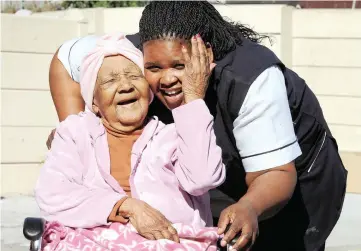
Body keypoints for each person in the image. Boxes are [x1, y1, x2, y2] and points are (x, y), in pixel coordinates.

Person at [46, 2, 347, 251]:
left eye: (180, 66)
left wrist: (250, 208)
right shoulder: (128, 53)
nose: (166, 79)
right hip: (203, 185)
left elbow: (276, 173)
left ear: (207, 54)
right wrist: (79, 130)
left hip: (288, 185)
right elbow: (65, 58)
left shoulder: (251, 79)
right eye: (153, 68)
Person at [35, 33, 225, 250]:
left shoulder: (172, 136)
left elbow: (202, 179)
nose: (125, 86)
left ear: (148, 92)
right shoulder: (75, 134)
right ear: (94, 101)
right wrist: (127, 207)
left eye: (134, 77)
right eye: (110, 80)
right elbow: (52, 194)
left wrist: (193, 99)